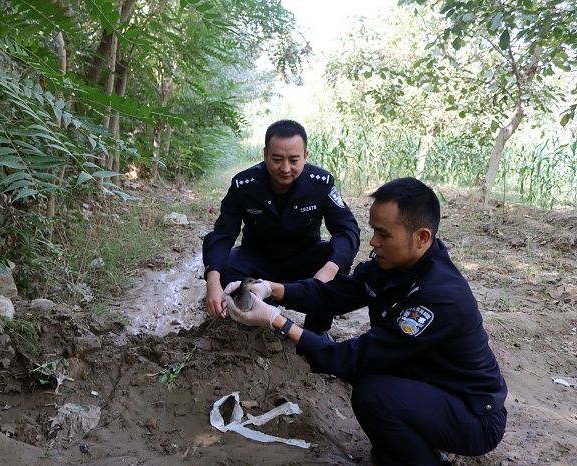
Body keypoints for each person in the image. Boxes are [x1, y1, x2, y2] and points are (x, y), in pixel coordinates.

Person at [223, 177, 508, 466]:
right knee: (385, 437)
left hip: (473, 416)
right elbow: (334, 294)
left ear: (422, 237)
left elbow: (354, 359)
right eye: (373, 231)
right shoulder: (394, 264)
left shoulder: (440, 297)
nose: (373, 242)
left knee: (373, 395)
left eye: (384, 234)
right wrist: (271, 288)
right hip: (430, 384)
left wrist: (277, 321)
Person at [202, 119, 360, 335]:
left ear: (305, 156)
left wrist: (329, 269)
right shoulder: (244, 185)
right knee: (227, 265)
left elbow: (347, 229)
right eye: (277, 159)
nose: (285, 169)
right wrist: (212, 281)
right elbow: (223, 233)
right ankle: (249, 320)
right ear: (265, 154)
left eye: (294, 160)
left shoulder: (321, 184)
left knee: (336, 260)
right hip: (258, 257)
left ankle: (316, 332)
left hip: (305, 257)